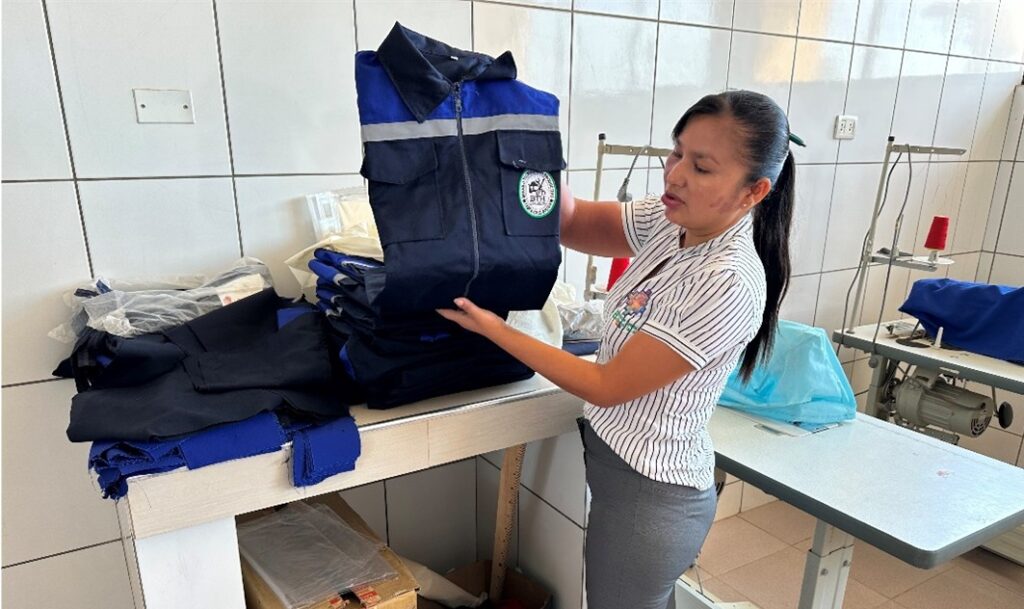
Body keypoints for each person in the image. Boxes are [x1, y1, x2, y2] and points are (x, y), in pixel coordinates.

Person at [437, 90, 796, 609]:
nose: (673, 174)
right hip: (627, 484)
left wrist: (494, 328)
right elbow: (572, 219)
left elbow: (606, 387)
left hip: (652, 499)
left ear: (753, 192)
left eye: (701, 166)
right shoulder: (673, 222)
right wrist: (525, 151)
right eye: (676, 152)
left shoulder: (727, 279)